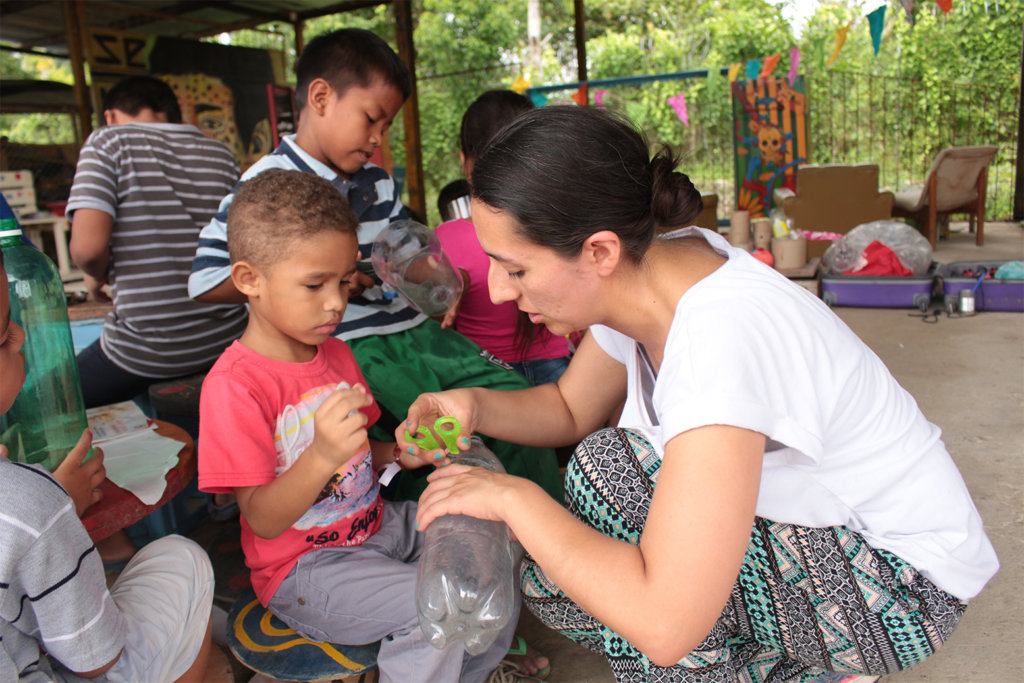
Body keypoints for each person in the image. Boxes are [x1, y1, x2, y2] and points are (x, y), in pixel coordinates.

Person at [402, 106, 1000, 682]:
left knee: (612, 491)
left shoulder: (720, 335)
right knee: (559, 581)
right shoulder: (649, 270)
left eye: (516, 269)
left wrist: (512, 499)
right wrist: (473, 405)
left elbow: (666, 625)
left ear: (599, 251)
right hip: (825, 545)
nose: (499, 292)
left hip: (900, 592)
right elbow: (568, 408)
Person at [186, 27, 562, 505]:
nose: (377, 138)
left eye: (385, 126)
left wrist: (435, 275)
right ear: (320, 97)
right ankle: (439, 531)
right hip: (354, 345)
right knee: (432, 434)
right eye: (371, 119)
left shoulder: (378, 183)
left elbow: (405, 256)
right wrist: (327, 279)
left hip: (417, 333)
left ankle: (542, 527)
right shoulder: (265, 185)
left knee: (514, 401)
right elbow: (206, 279)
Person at [197, 169, 517, 683]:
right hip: (306, 569)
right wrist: (321, 456)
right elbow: (262, 519)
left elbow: (362, 451)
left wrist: (403, 452)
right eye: (314, 284)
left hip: (377, 527)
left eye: (344, 282)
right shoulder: (235, 386)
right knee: (434, 608)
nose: (336, 302)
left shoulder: (337, 354)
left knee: (492, 546)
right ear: (249, 279)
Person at [0, 253, 215, 683]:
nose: (21, 337)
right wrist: (56, 504)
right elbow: (94, 656)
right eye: (5, 334)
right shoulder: (28, 500)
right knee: (184, 557)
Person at [67, 74, 247, 410]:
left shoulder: (108, 142)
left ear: (110, 116)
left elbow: (87, 250)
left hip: (147, 351)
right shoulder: (220, 154)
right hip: (227, 339)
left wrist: (97, 275)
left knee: (49, 396)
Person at [435, 90, 571, 387]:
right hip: (557, 370)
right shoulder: (559, 224)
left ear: (464, 161)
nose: (501, 290)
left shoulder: (446, 238)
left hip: (485, 372)